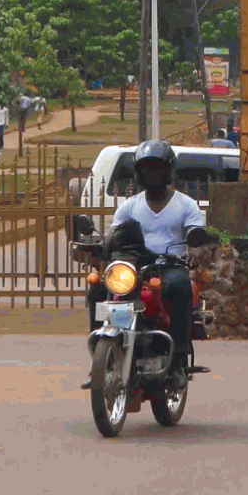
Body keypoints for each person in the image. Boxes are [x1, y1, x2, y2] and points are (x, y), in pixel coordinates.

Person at [88, 139, 215, 380]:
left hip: (170, 266)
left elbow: (195, 231)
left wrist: (195, 236)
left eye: (157, 168)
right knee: (97, 288)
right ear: (138, 173)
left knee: (179, 287)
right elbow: (114, 236)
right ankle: (99, 356)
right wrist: (100, 248)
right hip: (134, 266)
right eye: (146, 169)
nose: (151, 174)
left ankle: (178, 360)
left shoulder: (186, 205)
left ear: (168, 171)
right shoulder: (128, 207)